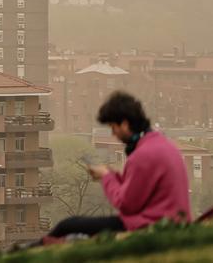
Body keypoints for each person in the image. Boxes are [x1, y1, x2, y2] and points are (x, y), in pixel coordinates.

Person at [46, 90, 191, 240]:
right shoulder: (163, 144)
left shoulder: (142, 155)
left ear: (125, 124)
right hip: (172, 221)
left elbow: (126, 204)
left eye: (113, 127)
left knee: (68, 226)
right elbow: (140, 191)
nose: (113, 134)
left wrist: (106, 176)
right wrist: (114, 176)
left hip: (153, 224)